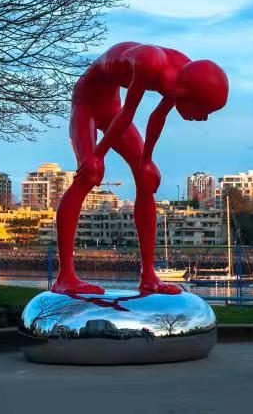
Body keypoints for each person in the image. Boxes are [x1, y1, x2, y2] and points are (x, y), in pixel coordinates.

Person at [52, 42, 229, 295]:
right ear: (189, 93)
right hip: (86, 104)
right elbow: (128, 114)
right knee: (88, 175)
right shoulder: (150, 62)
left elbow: (158, 116)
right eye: (203, 110)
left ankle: (149, 276)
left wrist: (147, 161)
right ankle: (65, 277)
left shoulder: (184, 73)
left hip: (112, 106)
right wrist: (97, 155)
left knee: (145, 180)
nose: (203, 118)